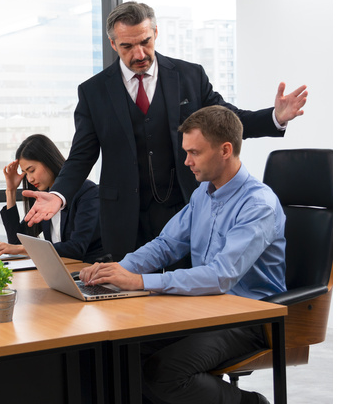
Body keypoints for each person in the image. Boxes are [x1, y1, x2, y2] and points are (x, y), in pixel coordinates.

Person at [23, 2, 307, 264]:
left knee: (184, 289)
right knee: (129, 295)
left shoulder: (189, 76)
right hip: (124, 218)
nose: (139, 54)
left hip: (182, 208)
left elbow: (227, 120)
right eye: (127, 46)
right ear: (113, 44)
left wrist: (273, 118)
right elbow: (82, 155)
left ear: (155, 32)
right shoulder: (93, 91)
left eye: (145, 42)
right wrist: (59, 195)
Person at [78, 106, 286, 404]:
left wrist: (140, 282)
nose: (186, 161)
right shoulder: (204, 193)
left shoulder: (258, 204)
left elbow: (220, 275)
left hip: (249, 319)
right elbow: (166, 244)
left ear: (225, 150)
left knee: (164, 372)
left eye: (194, 153)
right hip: (204, 308)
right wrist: (116, 270)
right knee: (119, 351)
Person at [0, 134, 104, 262]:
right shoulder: (44, 195)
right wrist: (11, 191)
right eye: (25, 173)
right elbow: (16, 242)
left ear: (48, 161)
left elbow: (76, 249)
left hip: (88, 270)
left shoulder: (86, 191)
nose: (29, 179)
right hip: (60, 268)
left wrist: (24, 249)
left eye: (31, 170)